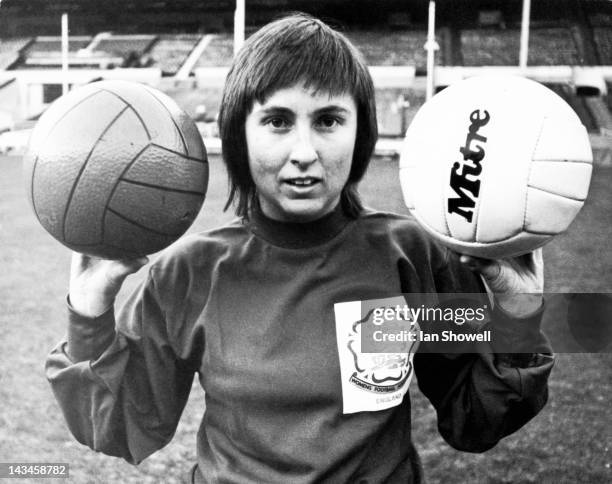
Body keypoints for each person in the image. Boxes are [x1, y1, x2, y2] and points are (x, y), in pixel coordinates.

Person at [46, 14, 554, 483]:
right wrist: (90, 311)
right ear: (239, 135)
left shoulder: (416, 257)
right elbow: (121, 425)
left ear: (362, 132)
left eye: (329, 120)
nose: (304, 153)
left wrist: (517, 312)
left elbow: (476, 420)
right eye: (277, 121)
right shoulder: (189, 273)